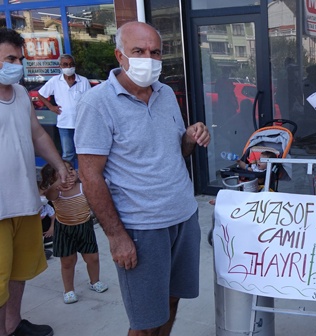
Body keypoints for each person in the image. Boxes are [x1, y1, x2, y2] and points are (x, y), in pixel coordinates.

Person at [74, 21, 210, 335]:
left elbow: (177, 151)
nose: (148, 58)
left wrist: (191, 136)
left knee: (172, 301)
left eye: (155, 52)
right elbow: (90, 176)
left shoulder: (165, 94)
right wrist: (117, 236)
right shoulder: (97, 104)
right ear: (120, 55)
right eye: (139, 51)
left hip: (183, 217)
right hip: (141, 227)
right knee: (145, 322)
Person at [0, 27, 70, 336]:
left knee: (19, 271)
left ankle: (12, 325)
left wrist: (59, 166)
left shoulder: (19, 96)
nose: (17, 64)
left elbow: (38, 134)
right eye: (9, 58)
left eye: (19, 58)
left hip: (25, 201)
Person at [39, 161, 108, 304]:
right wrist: (57, 184)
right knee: (68, 262)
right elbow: (49, 195)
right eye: (63, 170)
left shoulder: (83, 187)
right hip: (64, 229)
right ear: (54, 178)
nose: (70, 172)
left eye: (71, 169)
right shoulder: (56, 192)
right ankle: (69, 290)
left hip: (85, 227)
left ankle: (95, 281)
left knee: (92, 258)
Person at [37, 54, 91, 165]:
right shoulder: (55, 81)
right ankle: (69, 179)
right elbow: (41, 94)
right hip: (64, 123)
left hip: (82, 123)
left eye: (71, 64)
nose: (69, 67)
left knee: (84, 153)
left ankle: (84, 177)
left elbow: (90, 100)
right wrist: (51, 107)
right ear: (60, 66)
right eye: (65, 64)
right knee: (68, 154)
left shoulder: (83, 81)